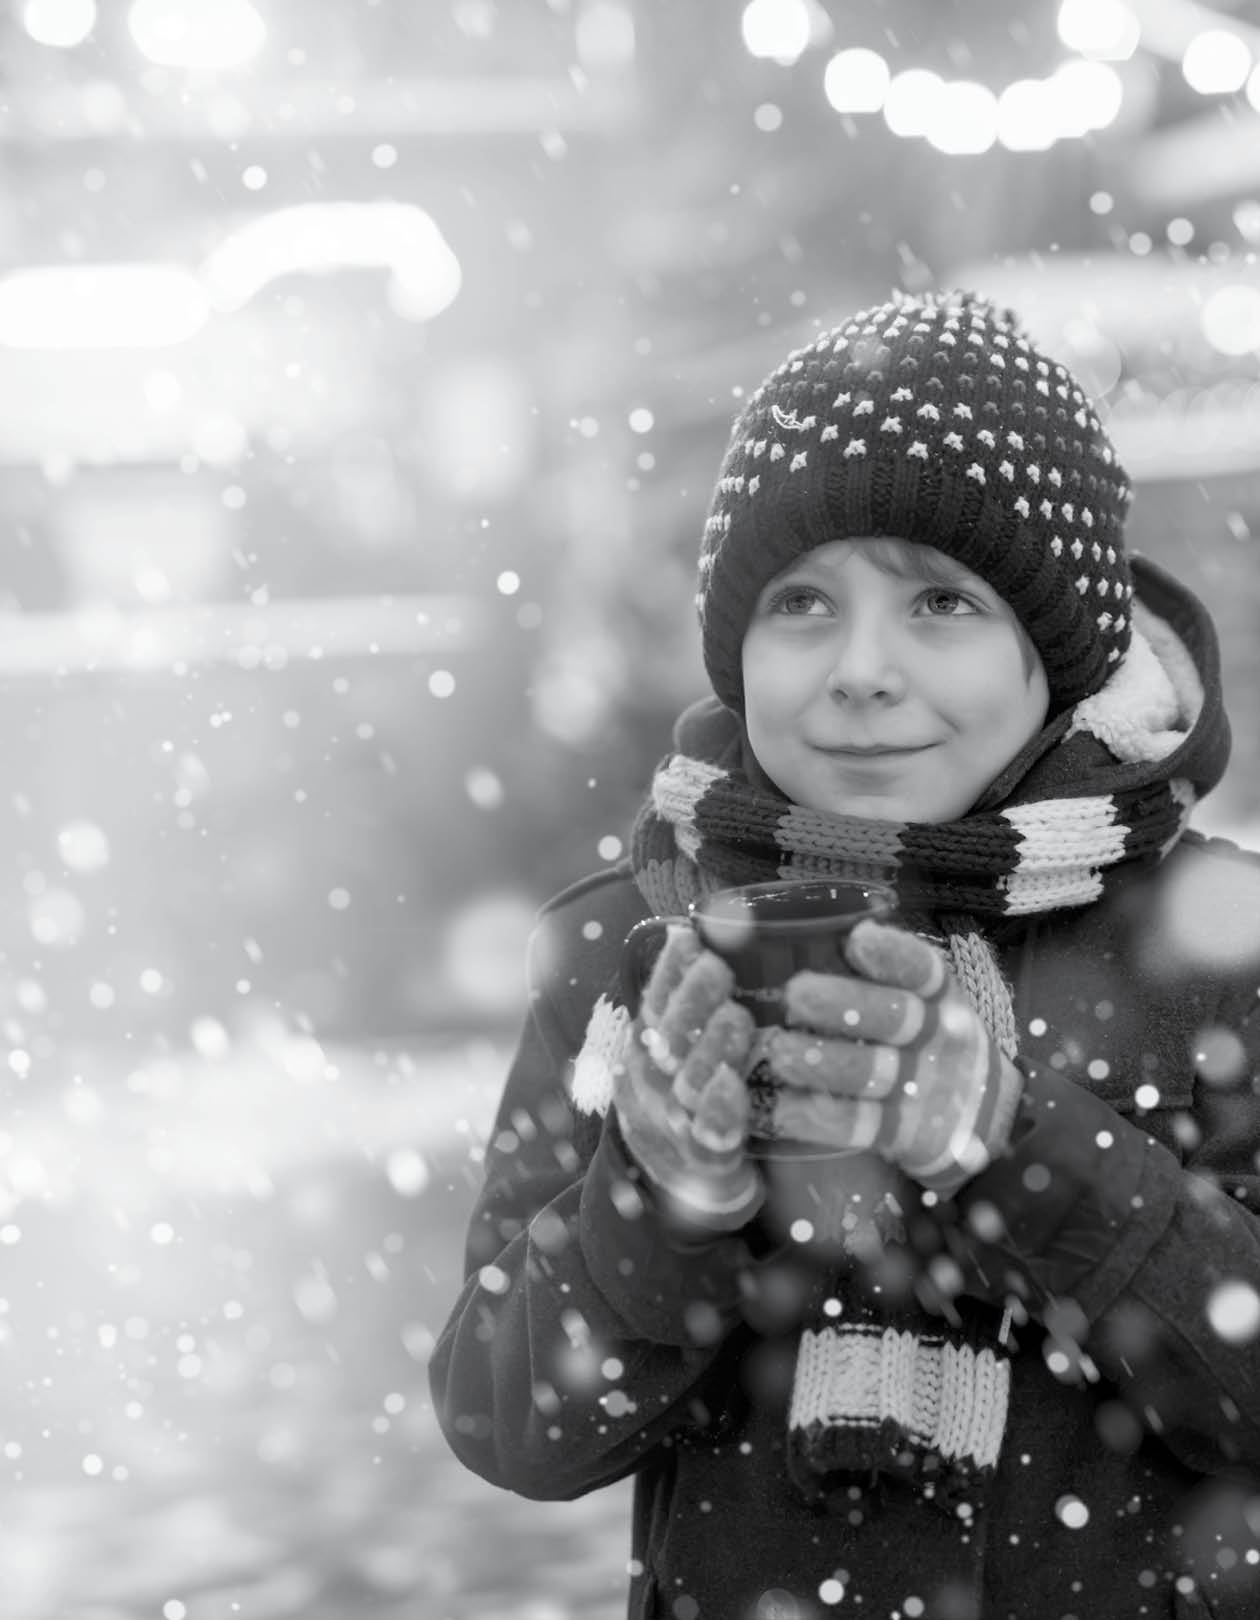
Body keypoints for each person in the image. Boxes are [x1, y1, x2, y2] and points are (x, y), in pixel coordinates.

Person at [429, 290, 1260, 1620]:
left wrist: (1014, 1141)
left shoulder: (1220, 956)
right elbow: (507, 1419)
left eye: (942, 600)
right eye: (802, 603)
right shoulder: (630, 947)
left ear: (1061, 650)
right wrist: (661, 1202)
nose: (861, 668)